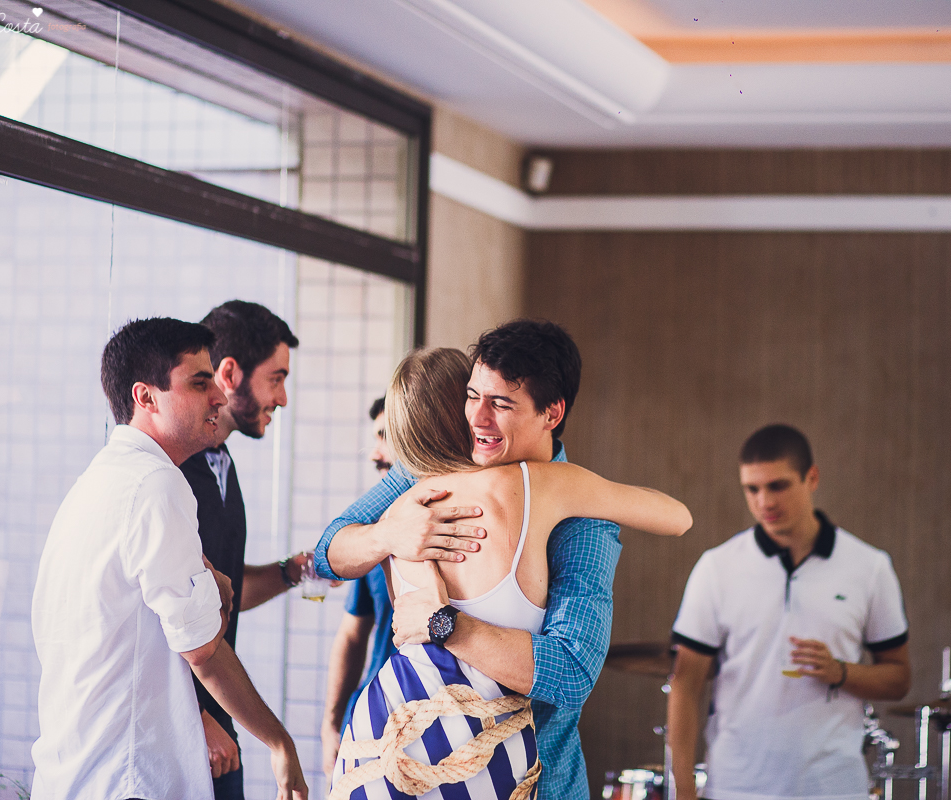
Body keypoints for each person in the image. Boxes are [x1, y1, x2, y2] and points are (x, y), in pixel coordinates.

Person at [329, 347, 692, 799]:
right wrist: (387, 537)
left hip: (384, 733)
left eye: (499, 403)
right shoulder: (541, 487)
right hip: (473, 756)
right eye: (473, 397)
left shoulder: (405, 499)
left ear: (550, 413)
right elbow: (332, 548)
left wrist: (441, 623)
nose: (481, 416)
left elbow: (570, 673)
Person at [30, 318, 307, 800]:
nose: (218, 397)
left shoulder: (102, 480)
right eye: (200, 383)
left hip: (80, 773)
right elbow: (201, 650)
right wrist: (280, 743)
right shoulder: (156, 485)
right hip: (128, 777)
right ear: (146, 397)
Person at [667, 424, 910, 800]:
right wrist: (681, 791)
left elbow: (899, 677)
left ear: (811, 478)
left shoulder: (870, 567)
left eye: (777, 486)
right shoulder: (717, 567)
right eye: (752, 488)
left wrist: (841, 672)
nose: (764, 501)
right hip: (735, 787)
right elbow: (684, 685)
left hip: (834, 788)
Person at [177, 300, 310, 799]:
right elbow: (158, 614)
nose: (283, 397)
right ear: (230, 373)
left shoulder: (222, 462)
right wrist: (196, 716)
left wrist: (293, 571)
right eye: (276, 378)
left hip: (219, 717)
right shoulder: (173, 475)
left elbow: (225, 589)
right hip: (187, 726)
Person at [321, 397, 398, 786]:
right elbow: (354, 632)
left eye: (386, 436)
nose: (375, 454)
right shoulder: (372, 531)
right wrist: (333, 720)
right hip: (368, 724)